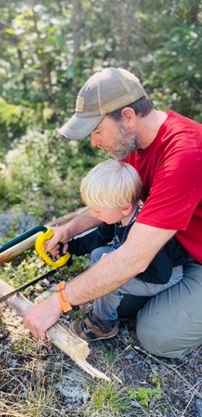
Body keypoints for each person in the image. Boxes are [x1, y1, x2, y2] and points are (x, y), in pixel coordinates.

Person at [23, 67, 202, 359]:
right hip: (175, 248)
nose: (93, 142)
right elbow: (117, 201)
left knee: (156, 335)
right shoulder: (135, 142)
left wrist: (58, 302)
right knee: (110, 291)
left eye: (96, 130)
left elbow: (132, 258)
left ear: (128, 117)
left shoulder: (184, 155)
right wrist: (69, 230)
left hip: (191, 256)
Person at [67, 158, 187, 341]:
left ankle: (103, 324)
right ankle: (100, 303)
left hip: (163, 275)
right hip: (141, 266)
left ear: (125, 208)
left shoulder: (146, 229)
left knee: (110, 280)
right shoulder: (118, 217)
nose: (93, 215)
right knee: (98, 254)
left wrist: (120, 270)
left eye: (97, 211)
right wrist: (71, 247)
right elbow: (99, 237)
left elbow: (161, 274)